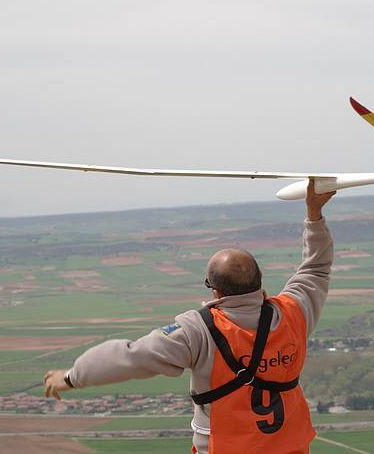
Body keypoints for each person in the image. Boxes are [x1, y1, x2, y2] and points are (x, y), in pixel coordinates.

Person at [44, 179, 335, 453]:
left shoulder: (197, 330)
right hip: (291, 446)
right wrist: (314, 213)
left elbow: (130, 357)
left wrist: (71, 377)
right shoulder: (294, 311)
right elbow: (315, 268)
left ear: (215, 291)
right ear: (259, 282)